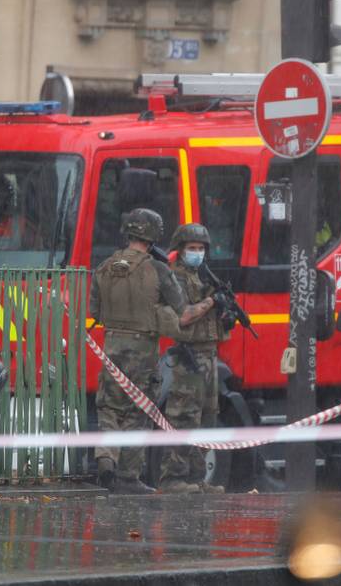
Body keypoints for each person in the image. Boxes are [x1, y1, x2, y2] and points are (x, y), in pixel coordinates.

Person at [90, 208, 216, 494]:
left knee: (108, 406)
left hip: (112, 345)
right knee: (138, 411)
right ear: (153, 235)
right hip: (143, 348)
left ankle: (106, 456)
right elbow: (183, 309)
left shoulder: (104, 266)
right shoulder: (158, 269)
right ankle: (128, 477)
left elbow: (94, 311)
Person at [159, 223, 235, 494]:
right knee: (184, 418)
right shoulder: (175, 277)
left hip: (210, 355)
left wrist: (226, 311)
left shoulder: (202, 276)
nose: (197, 253)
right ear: (179, 250)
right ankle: (173, 479)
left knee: (207, 418)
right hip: (189, 357)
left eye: (201, 249)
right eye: (192, 248)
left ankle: (197, 478)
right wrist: (212, 302)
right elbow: (184, 316)